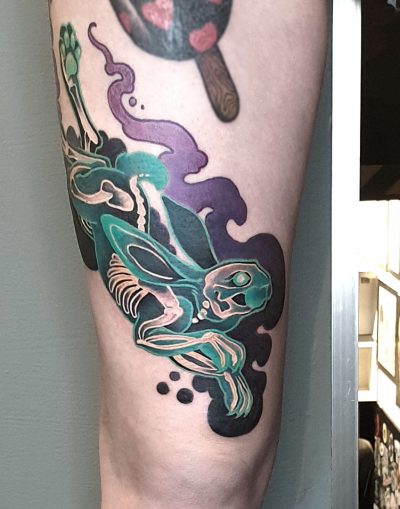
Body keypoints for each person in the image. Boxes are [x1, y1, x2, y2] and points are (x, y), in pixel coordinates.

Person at [49, 1, 327, 507]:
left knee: (208, 472)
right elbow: (146, 317)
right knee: (191, 471)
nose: (229, 298)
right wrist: (214, 348)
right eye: (237, 282)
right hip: (126, 240)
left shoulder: (191, 303)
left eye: (238, 304)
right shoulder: (182, 287)